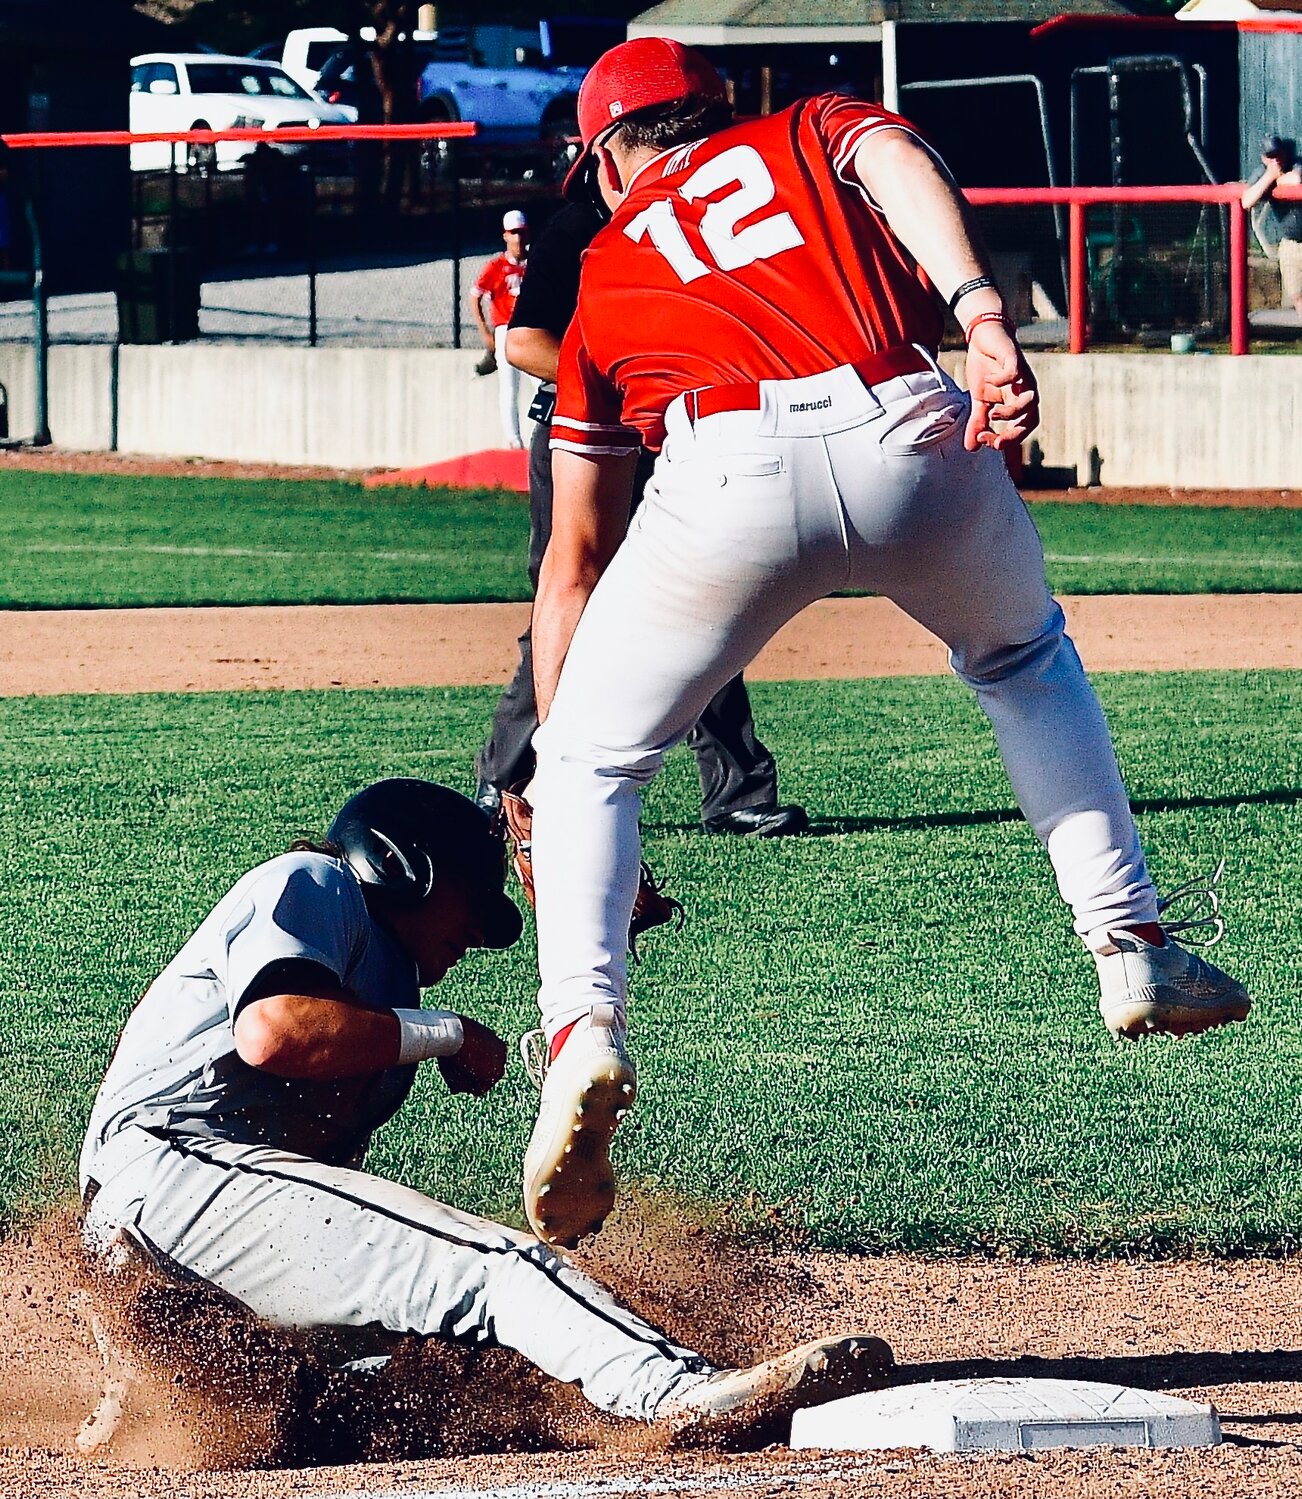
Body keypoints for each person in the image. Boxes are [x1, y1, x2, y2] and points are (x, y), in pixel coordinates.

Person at [516, 38, 1253, 1251]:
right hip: (903, 417)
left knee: (595, 762)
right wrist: (983, 315)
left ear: (607, 157)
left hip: (724, 461)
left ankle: (584, 1036)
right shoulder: (802, 127)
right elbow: (898, 155)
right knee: (1022, 661)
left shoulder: (603, 266)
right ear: (713, 112)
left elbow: (573, 561)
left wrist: (557, 785)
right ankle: (1132, 943)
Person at [76, 778, 891, 1446]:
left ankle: (146, 1395)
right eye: (471, 901)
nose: (474, 933)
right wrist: (447, 1033)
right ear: (404, 867)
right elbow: (274, 1031)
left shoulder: (373, 993)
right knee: (495, 1266)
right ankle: (678, 1392)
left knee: (411, 1373)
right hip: (170, 1166)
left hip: (157, 1244)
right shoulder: (313, 884)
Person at [474, 194, 808, 838]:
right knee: (568, 598)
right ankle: (506, 786)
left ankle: (738, 793)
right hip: (583, 433)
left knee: (704, 597)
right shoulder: (577, 223)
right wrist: (626, 385)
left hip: (675, 432)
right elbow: (523, 342)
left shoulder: (693, 213)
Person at [1242, 134, 1302, 355]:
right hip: (1290, 245)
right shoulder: (1262, 171)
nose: (1276, 160)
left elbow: (1296, 180)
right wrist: (1269, 177)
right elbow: (1247, 200)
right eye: (1270, 156)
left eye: (1278, 155)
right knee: (1298, 296)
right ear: (1263, 157)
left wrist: (1268, 183)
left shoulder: (1297, 161)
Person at [471, 210, 531, 448]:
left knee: (541, 384)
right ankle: (514, 440)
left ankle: (542, 436)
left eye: (522, 233)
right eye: (514, 233)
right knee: (509, 386)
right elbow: (474, 296)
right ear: (505, 235)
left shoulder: (534, 262)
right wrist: (485, 332)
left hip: (529, 328)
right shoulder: (496, 266)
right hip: (505, 329)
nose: (518, 239)